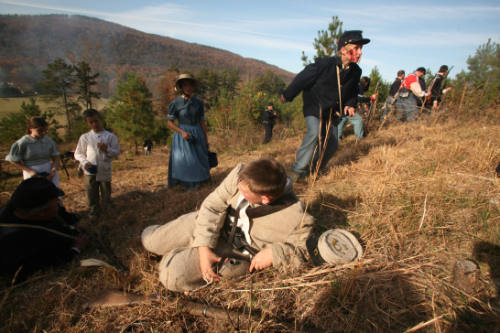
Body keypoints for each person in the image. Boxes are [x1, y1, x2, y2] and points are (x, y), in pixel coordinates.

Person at [141, 158, 314, 292]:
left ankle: (173, 257)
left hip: (233, 252)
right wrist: (203, 247)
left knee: (172, 276)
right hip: (211, 224)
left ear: (265, 199)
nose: (238, 187)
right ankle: (174, 249)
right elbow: (212, 205)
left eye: (245, 192)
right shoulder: (243, 174)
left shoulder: (297, 218)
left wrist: (274, 254)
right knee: (150, 241)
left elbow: (304, 252)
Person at [281, 30, 370, 180]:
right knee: (314, 134)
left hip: (332, 111)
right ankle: (297, 172)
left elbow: (353, 91)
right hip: (314, 106)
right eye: (356, 48)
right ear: (344, 49)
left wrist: (350, 104)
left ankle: (314, 170)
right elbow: (302, 79)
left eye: (361, 49)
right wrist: (287, 95)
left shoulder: (356, 71)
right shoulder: (324, 64)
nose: (360, 52)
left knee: (333, 144)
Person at [0, 177, 87, 280]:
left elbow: (59, 211)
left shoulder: (19, 206)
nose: (58, 204)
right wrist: (76, 249)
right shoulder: (17, 244)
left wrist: (73, 221)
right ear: (42, 213)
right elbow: (48, 262)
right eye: (56, 203)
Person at [74, 109, 120, 220]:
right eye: (91, 122)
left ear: (101, 120)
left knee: (106, 192)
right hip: (90, 169)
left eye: (96, 121)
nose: (94, 124)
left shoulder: (110, 136)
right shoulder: (85, 137)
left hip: (104, 168)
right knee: (91, 192)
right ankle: (94, 212)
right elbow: (78, 153)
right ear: (87, 123)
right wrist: (85, 163)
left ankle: (108, 212)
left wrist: (107, 149)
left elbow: (116, 152)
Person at [167, 74, 210, 190]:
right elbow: (169, 122)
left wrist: (206, 139)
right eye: (185, 85)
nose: (188, 87)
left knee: (199, 158)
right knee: (185, 160)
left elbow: (202, 122)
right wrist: (182, 132)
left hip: (197, 133)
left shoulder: (198, 103)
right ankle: (185, 184)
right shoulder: (175, 103)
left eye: (190, 84)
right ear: (181, 87)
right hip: (183, 135)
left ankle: (199, 183)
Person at [5, 116, 60, 186]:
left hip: (48, 171)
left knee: (53, 193)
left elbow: (56, 157)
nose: (43, 133)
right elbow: (13, 160)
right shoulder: (23, 142)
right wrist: (30, 171)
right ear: (31, 129)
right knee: (35, 194)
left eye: (45, 130)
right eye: (40, 130)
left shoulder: (48, 141)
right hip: (31, 171)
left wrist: (53, 169)